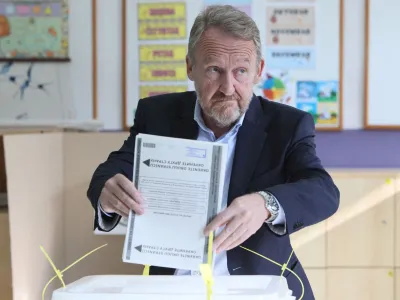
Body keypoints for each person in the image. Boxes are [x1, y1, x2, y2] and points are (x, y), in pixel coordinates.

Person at [87, 5, 340, 300]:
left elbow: (323, 191)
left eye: (241, 71)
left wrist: (266, 204)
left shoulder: (288, 125)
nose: (228, 87)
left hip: (260, 289)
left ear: (258, 71)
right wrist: (107, 191)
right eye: (214, 70)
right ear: (190, 67)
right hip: (173, 290)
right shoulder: (158, 114)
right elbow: (113, 169)